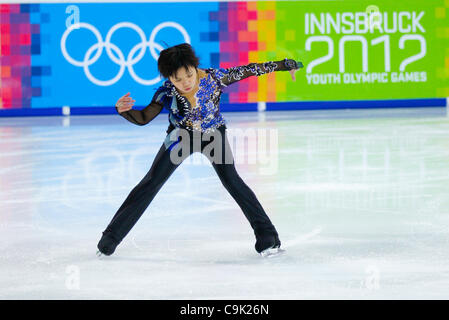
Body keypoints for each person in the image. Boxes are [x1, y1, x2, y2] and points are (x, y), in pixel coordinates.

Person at [97, 43, 303, 257]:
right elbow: (144, 117)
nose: (185, 82)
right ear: (169, 78)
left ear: (195, 67)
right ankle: (109, 238)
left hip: (213, 135)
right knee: (151, 182)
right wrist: (123, 111)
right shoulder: (165, 93)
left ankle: (267, 239)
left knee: (232, 181)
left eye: (188, 74)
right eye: (177, 79)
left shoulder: (215, 78)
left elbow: (252, 69)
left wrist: (286, 65)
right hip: (180, 137)